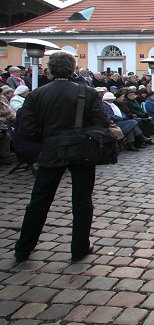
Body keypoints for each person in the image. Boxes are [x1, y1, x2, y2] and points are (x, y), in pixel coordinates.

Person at [14, 51, 111, 263]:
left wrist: (49, 137)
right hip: (82, 150)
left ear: (48, 70)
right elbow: (102, 122)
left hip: (51, 149)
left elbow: (27, 131)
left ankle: (23, 248)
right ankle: (79, 248)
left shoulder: (36, 94)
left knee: (39, 201)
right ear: (72, 70)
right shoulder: (87, 92)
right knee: (82, 200)